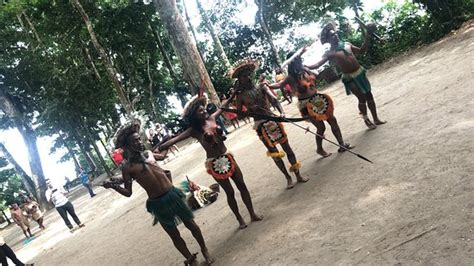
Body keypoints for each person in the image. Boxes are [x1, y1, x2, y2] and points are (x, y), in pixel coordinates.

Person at [102, 121, 214, 265]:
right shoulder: (127, 167)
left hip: (173, 194)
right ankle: (190, 259)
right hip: (157, 204)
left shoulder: (149, 154)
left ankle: (204, 250)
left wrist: (167, 144)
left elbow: (162, 155)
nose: (139, 142)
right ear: (127, 146)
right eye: (134, 141)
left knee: (192, 225)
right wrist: (113, 186)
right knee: (174, 234)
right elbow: (128, 192)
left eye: (138, 139)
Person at [157, 94, 263, 229]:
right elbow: (174, 140)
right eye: (200, 110)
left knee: (242, 185)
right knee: (230, 192)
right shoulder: (193, 131)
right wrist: (161, 147)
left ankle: (252, 213)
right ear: (194, 116)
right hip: (214, 163)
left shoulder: (212, 118)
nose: (205, 111)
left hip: (227, 156)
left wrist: (233, 95)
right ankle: (240, 219)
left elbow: (223, 108)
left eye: (204, 108)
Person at [231, 59, 309, 189]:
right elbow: (240, 115)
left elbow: (274, 100)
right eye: (245, 76)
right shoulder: (240, 97)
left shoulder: (262, 86)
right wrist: (249, 109)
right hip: (260, 126)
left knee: (287, 149)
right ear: (240, 80)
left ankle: (298, 174)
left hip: (273, 120)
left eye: (249, 74)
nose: (248, 77)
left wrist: (282, 112)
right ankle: (288, 177)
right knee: (275, 154)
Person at [269, 52, 353, 158]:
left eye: (299, 58)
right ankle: (319, 149)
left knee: (332, 120)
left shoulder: (304, 70)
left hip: (318, 99)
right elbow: (279, 85)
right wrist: (267, 85)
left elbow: (316, 73)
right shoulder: (291, 77)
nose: (300, 61)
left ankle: (342, 144)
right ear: (292, 63)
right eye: (297, 60)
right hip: (306, 105)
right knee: (321, 128)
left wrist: (309, 69)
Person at [306, 23, 386, 129]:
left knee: (369, 96)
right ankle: (366, 119)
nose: (335, 36)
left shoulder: (347, 44)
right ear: (328, 40)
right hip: (349, 78)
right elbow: (317, 65)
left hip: (359, 73)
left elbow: (362, 51)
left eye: (335, 34)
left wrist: (367, 36)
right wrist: (304, 67)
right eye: (332, 35)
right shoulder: (330, 53)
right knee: (361, 98)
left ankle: (376, 118)